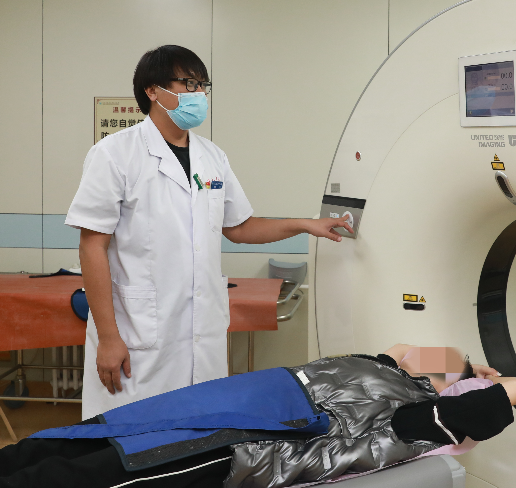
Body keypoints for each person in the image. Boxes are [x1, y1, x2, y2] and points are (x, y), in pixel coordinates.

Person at [68, 45, 354, 418]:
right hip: (138, 334)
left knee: (200, 433)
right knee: (136, 434)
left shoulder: (212, 157)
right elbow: (92, 246)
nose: (199, 94)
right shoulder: (114, 154)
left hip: (200, 333)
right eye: (188, 83)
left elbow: (240, 227)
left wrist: (305, 225)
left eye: (203, 85)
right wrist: (108, 337)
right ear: (152, 90)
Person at [0, 346, 516, 488]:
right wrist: (460, 364)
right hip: (201, 411)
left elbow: (505, 399)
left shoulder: (418, 424)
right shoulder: (385, 365)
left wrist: (499, 384)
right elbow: (419, 351)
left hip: (238, 444)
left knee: (45, 478)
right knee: (27, 455)